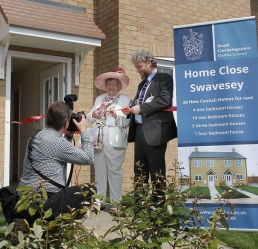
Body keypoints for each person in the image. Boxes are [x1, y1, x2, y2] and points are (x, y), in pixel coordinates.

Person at [18, 101, 95, 225]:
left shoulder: (35, 136)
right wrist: (84, 131)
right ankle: (62, 226)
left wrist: (69, 134)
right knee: (89, 189)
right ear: (66, 123)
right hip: (44, 204)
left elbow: (56, 151)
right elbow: (89, 158)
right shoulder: (59, 143)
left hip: (25, 202)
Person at [122, 49, 177, 202]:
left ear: (149, 63)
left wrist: (142, 108)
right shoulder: (142, 85)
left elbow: (165, 100)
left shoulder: (164, 78)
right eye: (136, 67)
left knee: (156, 171)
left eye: (139, 66)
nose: (138, 70)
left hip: (156, 131)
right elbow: (137, 104)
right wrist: (130, 110)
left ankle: (158, 208)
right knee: (139, 171)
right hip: (139, 131)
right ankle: (140, 207)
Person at [86, 68, 131, 209]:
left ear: (119, 86)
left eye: (114, 84)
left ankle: (116, 203)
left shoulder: (125, 100)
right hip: (98, 139)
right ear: (106, 86)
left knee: (115, 171)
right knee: (99, 171)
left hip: (115, 141)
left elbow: (128, 122)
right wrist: (94, 114)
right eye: (109, 84)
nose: (111, 87)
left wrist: (117, 116)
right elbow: (89, 118)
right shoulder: (99, 99)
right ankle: (99, 201)